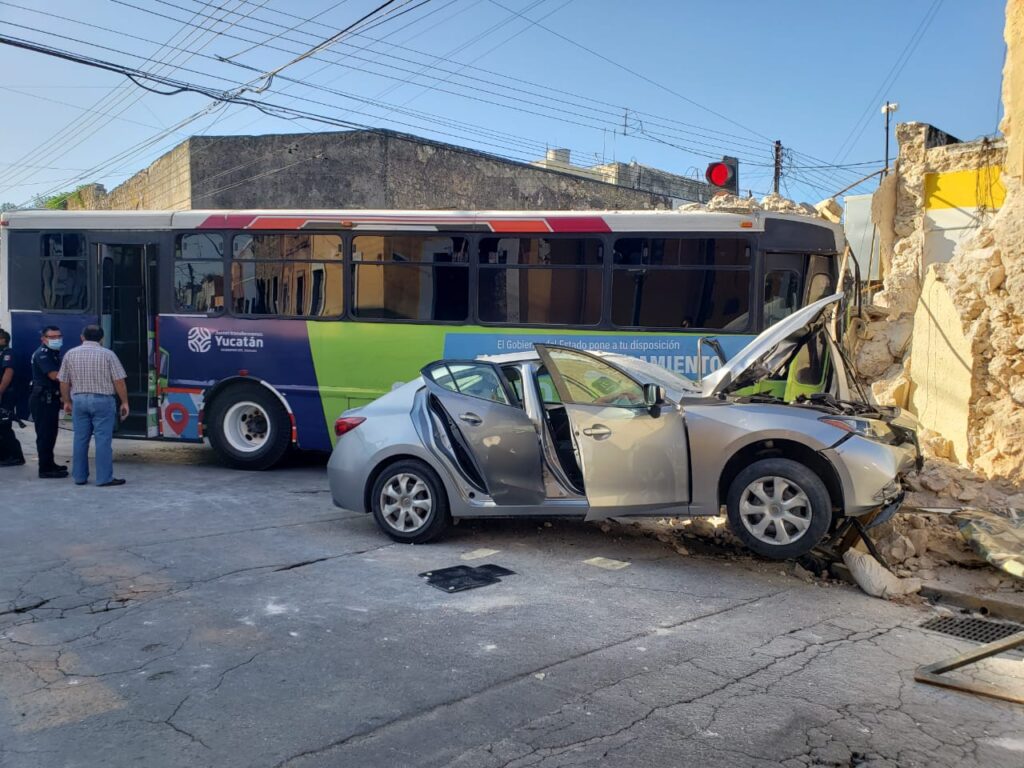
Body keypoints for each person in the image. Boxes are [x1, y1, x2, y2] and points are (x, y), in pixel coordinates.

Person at [58, 324, 129, 487]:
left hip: (79, 400)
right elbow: (119, 381)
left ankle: (79, 477)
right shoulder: (108, 355)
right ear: (102, 339)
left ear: (82, 337)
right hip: (103, 401)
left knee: (80, 439)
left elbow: (64, 381)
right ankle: (104, 478)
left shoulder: (70, 354)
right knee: (103, 440)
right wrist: (124, 402)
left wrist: (67, 401)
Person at [30, 326, 67, 479]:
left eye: (58, 336)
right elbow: (55, 376)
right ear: (43, 339)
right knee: (45, 434)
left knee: (51, 433)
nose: (56, 339)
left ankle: (50, 463)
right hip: (43, 399)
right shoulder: (43, 354)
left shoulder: (54, 353)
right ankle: (45, 469)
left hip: (50, 398)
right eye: (52, 337)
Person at [0, 329, 25, 467]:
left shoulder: (8, 354)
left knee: (4, 425)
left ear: (3, 340)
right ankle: (4, 455)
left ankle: (15, 456)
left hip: (6, 395)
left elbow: (8, 373)